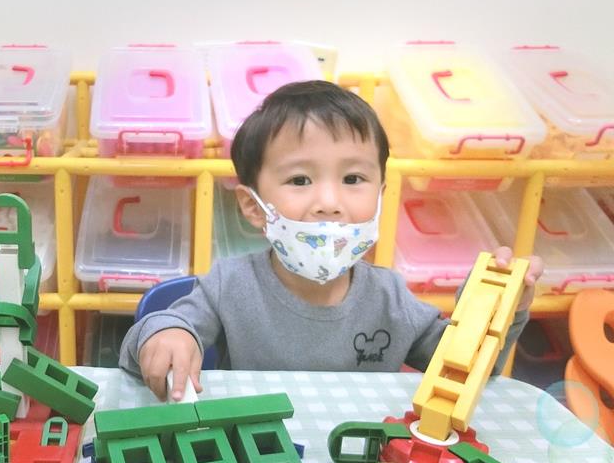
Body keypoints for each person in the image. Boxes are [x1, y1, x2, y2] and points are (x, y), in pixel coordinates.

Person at [118, 80, 543, 401]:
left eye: (353, 179)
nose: (329, 203)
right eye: (300, 180)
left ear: (381, 195)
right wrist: (167, 334)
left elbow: (462, 370)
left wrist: (496, 309)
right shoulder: (230, 285)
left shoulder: (390, 298)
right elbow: (155, 333)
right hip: (261, 455)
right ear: (253, 207)